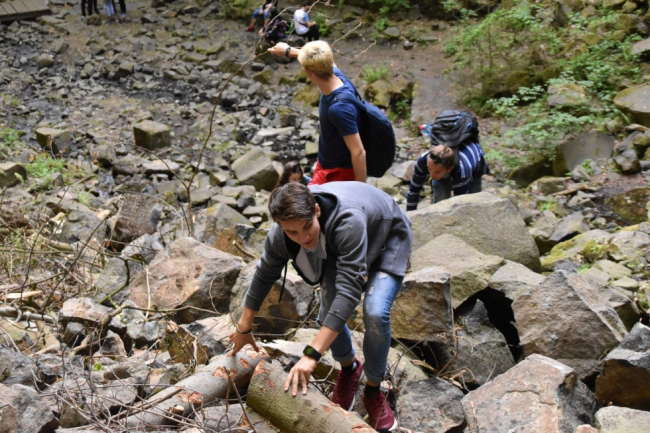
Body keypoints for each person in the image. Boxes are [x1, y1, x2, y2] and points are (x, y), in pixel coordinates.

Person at [229, 181, 412, 432]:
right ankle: (349, 369)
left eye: (307, 227)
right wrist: (243, 327)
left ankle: (373, 389)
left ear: (316, 210)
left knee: (375, 312)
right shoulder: (281, 234)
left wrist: (312, 354)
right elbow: (264, 273)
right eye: (292, 232)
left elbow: (349, 292)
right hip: (340, 243)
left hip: (386, 233)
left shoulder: (348, 219)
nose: (303, 238)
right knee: (327, 315)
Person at [268, 41, 367, 185]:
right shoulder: (337, 74)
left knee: (309, 205)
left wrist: (362, 192)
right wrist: (289, 50)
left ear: (308, 72)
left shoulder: (339, 108)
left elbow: (359, 153)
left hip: (337, 174)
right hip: (325, 163)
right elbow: (324, 59)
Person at [406, 142, 489, 210]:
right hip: (448, 169)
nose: (432, 175)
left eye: (437, 172)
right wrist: (409, 217)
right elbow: (413, 191)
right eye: (429, 169)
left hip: (474, 167)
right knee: (440, 201)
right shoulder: (422, 161)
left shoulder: (462, 172)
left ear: (449, 169)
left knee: (473, 203)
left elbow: (461, 204)